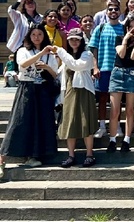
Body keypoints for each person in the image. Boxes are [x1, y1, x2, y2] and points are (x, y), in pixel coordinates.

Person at [0, 24, 58, 177]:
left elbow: (55, 75)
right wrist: (40, 54)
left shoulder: (50, 54)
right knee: (19, 121)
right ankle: (2, 158)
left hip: (43, 90)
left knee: (41, 123)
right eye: (34, 34)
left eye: (40, 34)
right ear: (29, 37)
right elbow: (23, 65)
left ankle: (34, 155)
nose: (37, 37)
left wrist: (46, 66)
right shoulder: (22, 51)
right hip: (27, 88)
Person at [55, 28, 98, 168]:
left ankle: (89, 154)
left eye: (76, 39)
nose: (74, 42)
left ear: (81, 41)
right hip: (70, 91)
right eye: (71, 39)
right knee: (69, 122)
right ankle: (71, 155)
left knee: (86, 122)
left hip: (84, 91)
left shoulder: (87, 54)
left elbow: (76, 66)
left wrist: (60, 52)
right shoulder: (67, 56)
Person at [106, 19, 134, 153]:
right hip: (117, 74)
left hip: (132, 75)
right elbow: (121, 54)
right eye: (130, 27)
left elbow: (133, 57)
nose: (133, 29)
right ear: (126, 28)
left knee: (130, 109)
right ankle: (112, 139)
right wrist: (126, 39)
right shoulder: (119, 38)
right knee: (115, 110)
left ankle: (127, 140)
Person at [89, 2, 124, 139]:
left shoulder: (124, 28)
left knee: (117, 100)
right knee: (103, 98)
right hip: (103, 69)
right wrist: (95, 67)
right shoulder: (100, 27)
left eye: (116, 9)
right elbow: (93, 49)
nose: (113, 11)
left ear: (120, 12)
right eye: (110, 9)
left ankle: (117, 126)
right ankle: (102, 126)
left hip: (119, 69)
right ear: (107, 12)